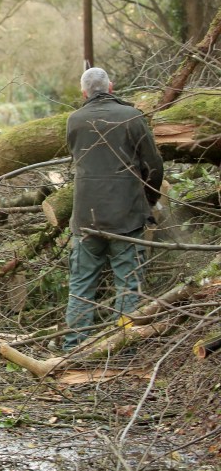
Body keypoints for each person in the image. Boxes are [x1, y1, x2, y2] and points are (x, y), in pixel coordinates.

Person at [63, 67, 164, 351]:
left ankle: (74, 348)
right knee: (128, 286)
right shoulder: (132, 117)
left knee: (81, 287)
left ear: (84, 92)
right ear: (111, 87)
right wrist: (148, 199)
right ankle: (121, 349)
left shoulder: (75, 120)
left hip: (86, 217)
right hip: (126, 216)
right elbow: (154, 165)